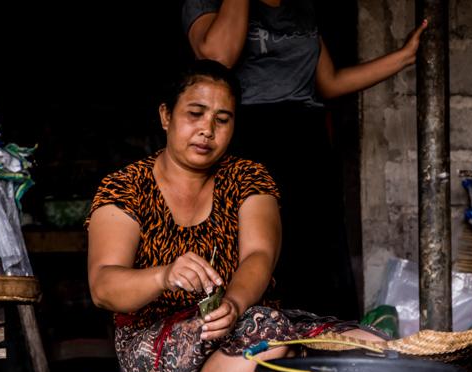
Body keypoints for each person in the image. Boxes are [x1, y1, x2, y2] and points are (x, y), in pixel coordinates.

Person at [86, 60, 384, 372]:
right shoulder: (125, 187)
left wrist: (232, 304)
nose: (207, 130)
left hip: (244, 322)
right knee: (269, 347)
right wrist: (163, 276)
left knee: (373, 348)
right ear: (166, 116)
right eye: (195, 114)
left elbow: (260, 255)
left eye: (222, 119)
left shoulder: (248, 178)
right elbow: (103, 287)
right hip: (154, 343)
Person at [182, 0, 427, 321]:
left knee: (317, 260)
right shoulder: (207, 2)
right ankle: (254, 342)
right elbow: (218, 58)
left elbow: (328, 81)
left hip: (307, 144)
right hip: (248, 140)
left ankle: (320, 346)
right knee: (262, 256)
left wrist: (403, 57)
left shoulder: (301, 6)